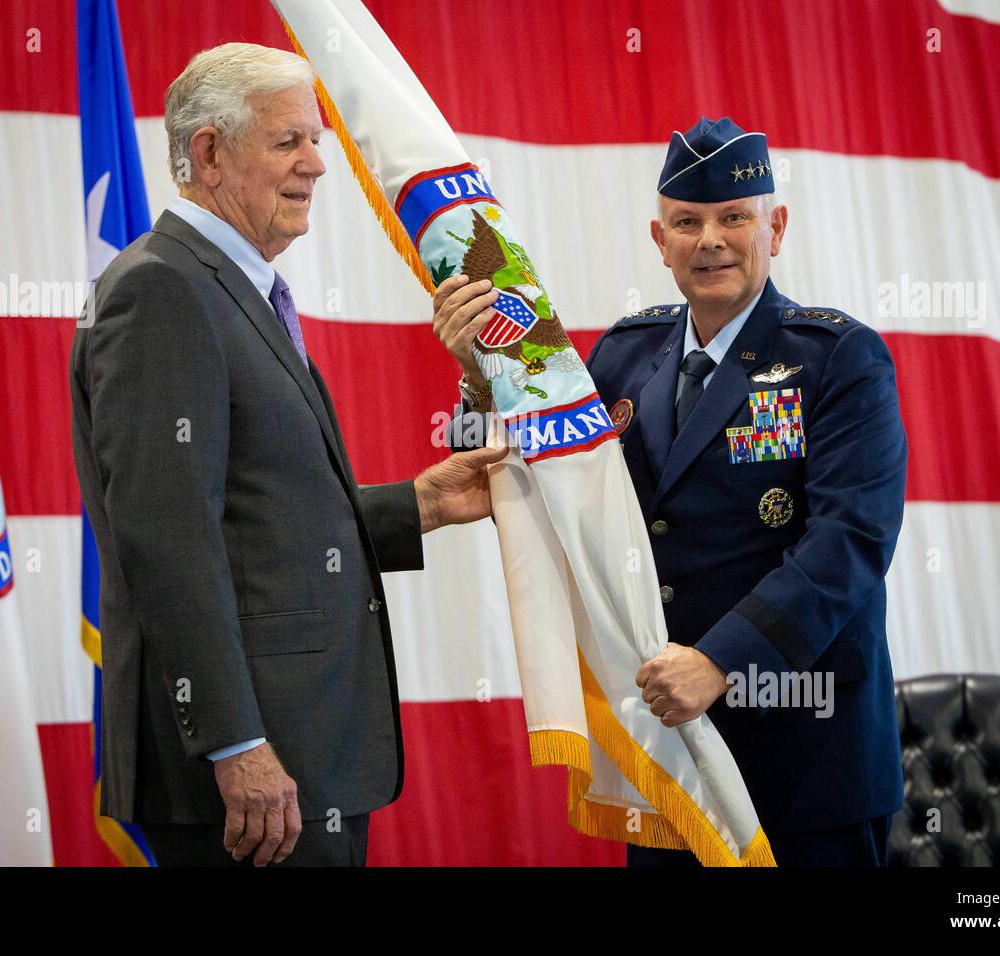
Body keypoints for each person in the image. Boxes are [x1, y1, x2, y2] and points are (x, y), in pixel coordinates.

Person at [70, 43, 505, 868]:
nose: (317, 164)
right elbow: (168, 541)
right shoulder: (162, 289)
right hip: (248, 772)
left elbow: (255, 519)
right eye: (288, 143)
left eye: (317, 141)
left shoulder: (232, 287)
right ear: (208, 152)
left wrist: (417, 506)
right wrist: (236, 744)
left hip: (300, 752)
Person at [433, 117, 906, 866]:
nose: (710, 239)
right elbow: (550, 484)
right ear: (661, 241)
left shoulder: (838, 359)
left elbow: (851, 544)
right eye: (687, 221)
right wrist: (478, 373)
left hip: (806, 755)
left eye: (734, 218)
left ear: (774, 227)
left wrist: (722, 661)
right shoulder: (624, 353)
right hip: (667, 752)